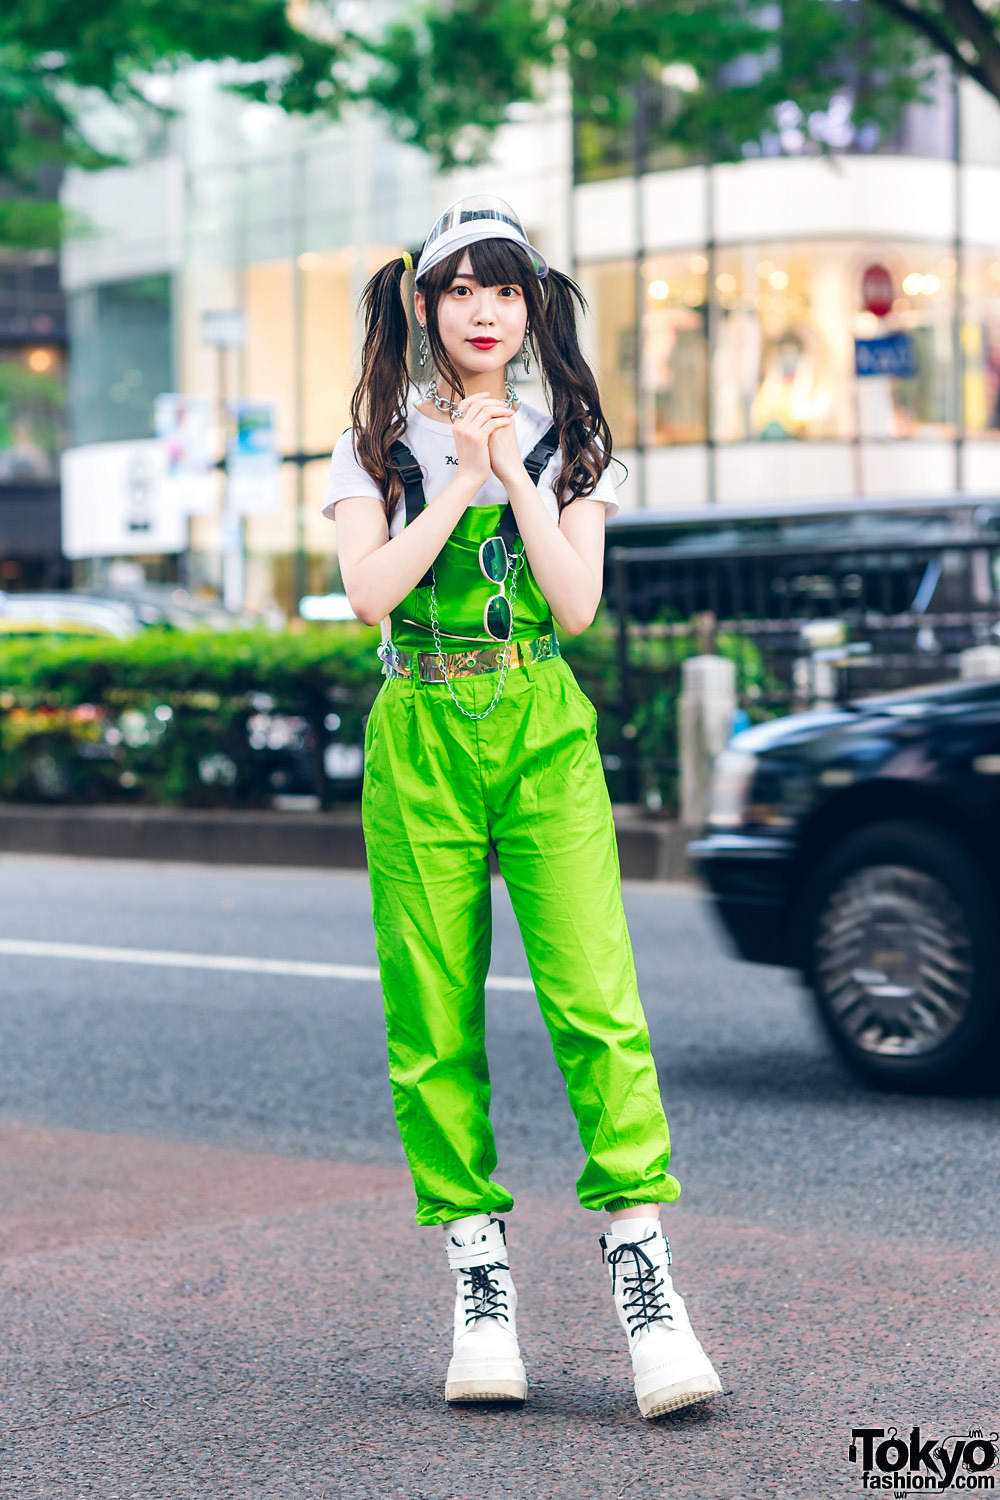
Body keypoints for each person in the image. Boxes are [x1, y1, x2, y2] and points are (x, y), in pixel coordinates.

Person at [324, 194, 722, 1420]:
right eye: (458, 288)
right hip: (422, 727)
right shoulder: (376, 443)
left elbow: (578, 604)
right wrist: (454, 484)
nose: (482, 308)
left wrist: (518, 477)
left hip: (540, 726)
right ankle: (478, 1283)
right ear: (424, 305)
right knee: (431, 1014)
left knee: (597, 1001)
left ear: (532, 304)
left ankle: (644, 1284)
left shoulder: (572, 439)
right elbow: (367, 595)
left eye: (504, 287)